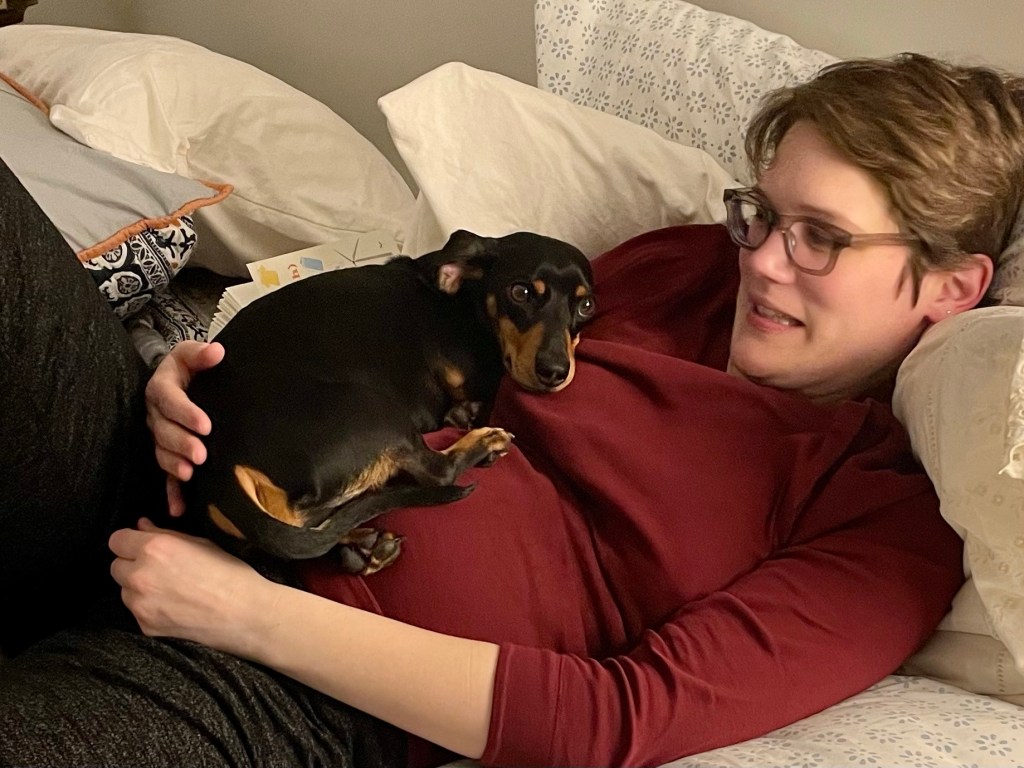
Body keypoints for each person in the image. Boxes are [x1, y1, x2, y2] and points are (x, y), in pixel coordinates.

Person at [2, 52, 1023, 768]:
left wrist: (250, 615)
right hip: (179, 472)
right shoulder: (684, 270)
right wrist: (207, 380)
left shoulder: (883, 519)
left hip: (290, 675)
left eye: (821, 239)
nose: (761, 260)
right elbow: (414, 338)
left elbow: (618, 719)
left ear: (951, 287)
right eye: (760, 214)